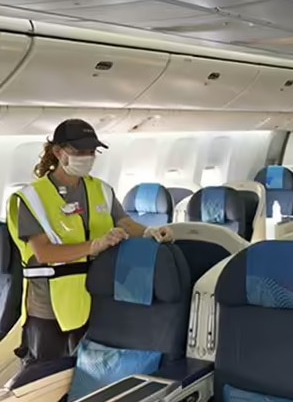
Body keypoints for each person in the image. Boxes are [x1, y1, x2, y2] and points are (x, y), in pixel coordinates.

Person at [6, 118, 174, 366]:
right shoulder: (31, 198)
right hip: (50, 306)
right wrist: (95, 245)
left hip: (96, 295)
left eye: (91, 151)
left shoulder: (102, 190)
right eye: (79, 151)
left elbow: (124, 222)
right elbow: (44, 253)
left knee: (86, 371)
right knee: (46, 375)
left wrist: (150, 231)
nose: (87, 156)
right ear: (58, 152)